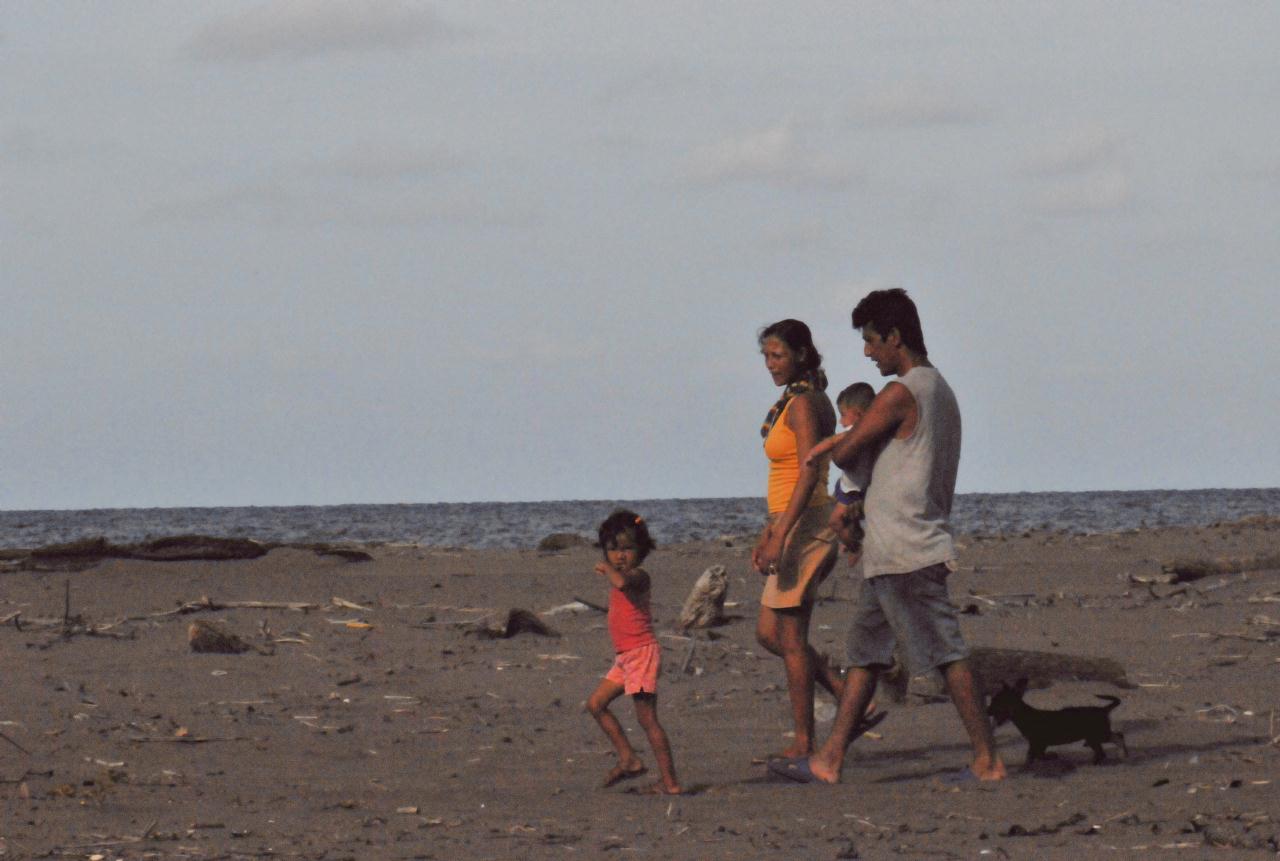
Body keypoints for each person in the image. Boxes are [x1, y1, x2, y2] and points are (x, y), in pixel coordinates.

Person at [770, 289, 1006, 785]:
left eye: (873, 341)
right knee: (864, 655)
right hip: (891, 550)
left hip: (908, 548)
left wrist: (831, 445)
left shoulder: (903, 393)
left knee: (945, 653)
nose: (867, 352)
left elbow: (846, 451)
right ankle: (829, 760)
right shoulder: (937, 388)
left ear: (895, 337)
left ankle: (987, 759)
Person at [752, 319, 846, 759]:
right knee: (769, 633)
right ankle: (848, 695)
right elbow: (785, 474)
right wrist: (769, 531)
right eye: (767, 356)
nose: (771, 365)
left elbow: (809, 471)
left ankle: (805, 742)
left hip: (807, 523)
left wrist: (782, 533)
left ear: (802, 355)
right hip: (788, 521)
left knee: (790, 638)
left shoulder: (806, 403)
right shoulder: (793, 399)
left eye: (778, 356)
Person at [585, 510, 683, 795]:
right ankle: (628, 758)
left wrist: (607, 568)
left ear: (641, 550)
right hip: (626, 658)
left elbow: (623, 583)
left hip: (641, 654)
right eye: (613, 550)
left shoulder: (639, 576)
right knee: (596, 704)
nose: (620, 556)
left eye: (627, 548)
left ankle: (670, 783)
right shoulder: (621, 572)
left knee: (647, 719)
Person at [828, 382, 877, 556]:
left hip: (852, 488)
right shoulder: (874, 428)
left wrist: (813, 454)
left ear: (857, 414)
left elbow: (832, 444)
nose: (841, 421)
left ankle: (855, 548)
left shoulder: (854, 430)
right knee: (844, 512)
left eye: (843, 415)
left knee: (835, 521)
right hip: (851, 484)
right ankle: (851, 540)